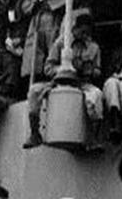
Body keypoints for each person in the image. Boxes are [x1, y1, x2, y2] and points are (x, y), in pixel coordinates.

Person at [23, 13, 103, 151]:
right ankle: (35, 133)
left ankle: (93, 138)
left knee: (96, 96)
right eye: (82, 31)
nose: (84, 35)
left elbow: (98, 70)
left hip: (82, 82)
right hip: (58, 82)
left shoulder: (94, 48)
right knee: (34, 91)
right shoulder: (61, 43)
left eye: (87, 33)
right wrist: (63, 69)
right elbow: (48, 68)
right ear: (75, 28)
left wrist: (88, 69)